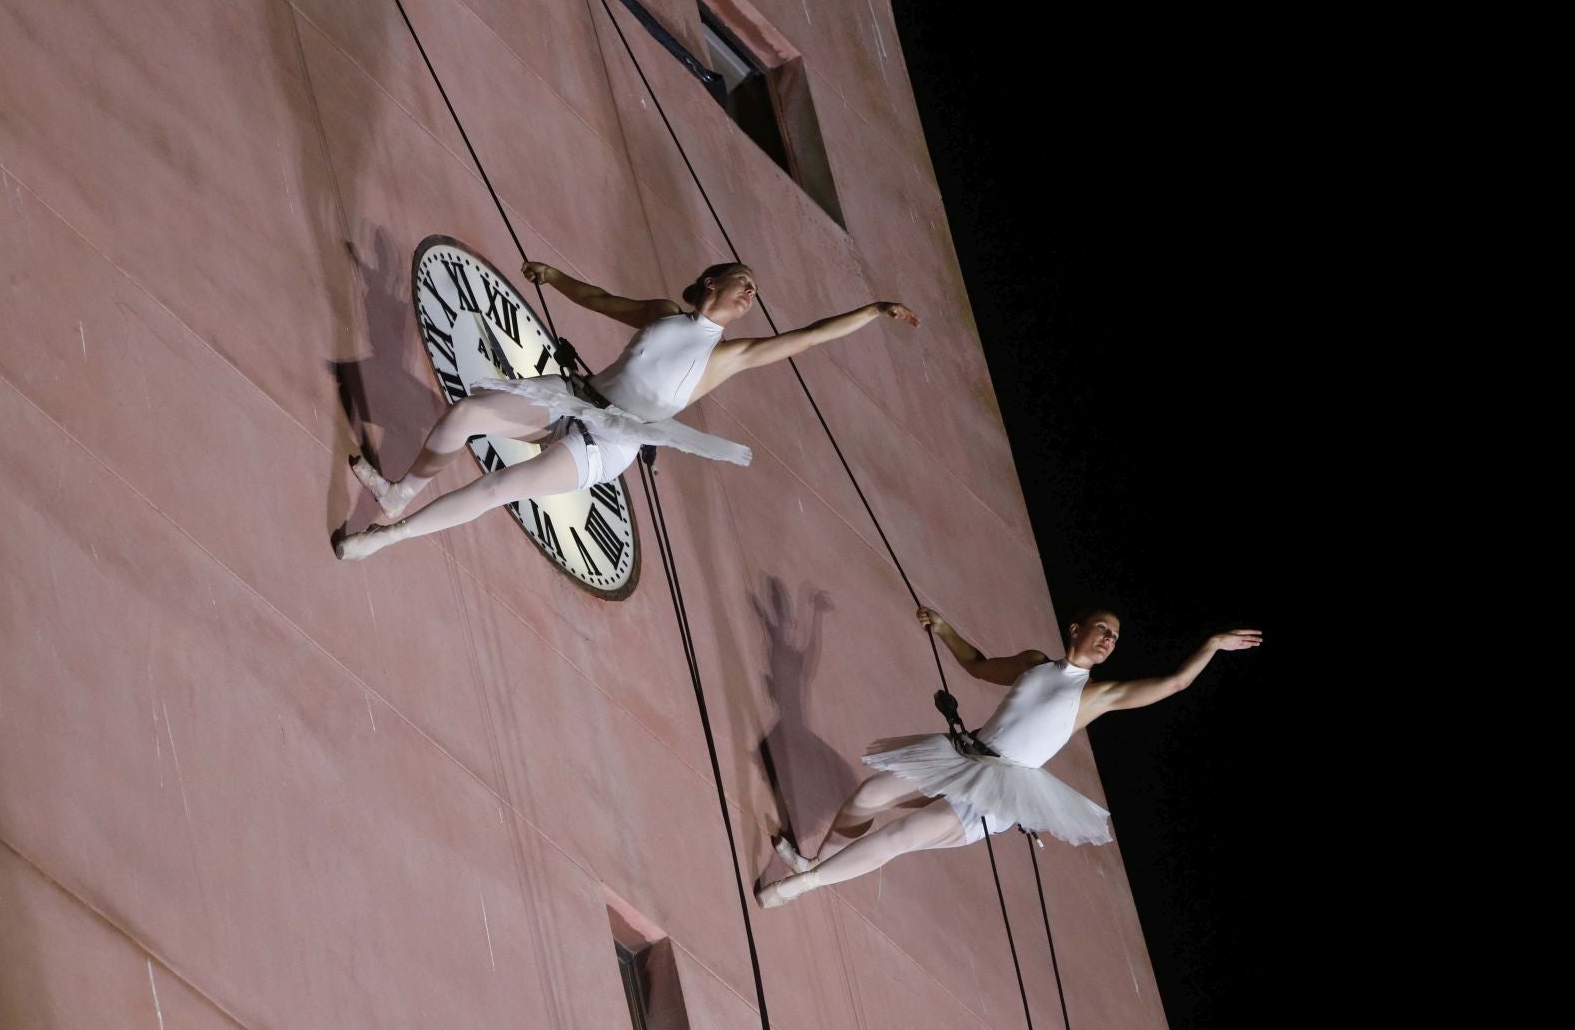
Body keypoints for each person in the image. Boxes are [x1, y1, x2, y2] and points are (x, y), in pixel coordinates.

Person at [335, 261, 919, 559]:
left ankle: (384, 540)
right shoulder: (666, 312)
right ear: (712, 280)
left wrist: (872, 310)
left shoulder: (731, 355)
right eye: (744, 282)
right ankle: (397, 494)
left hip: (608, 441)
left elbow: (809, 336)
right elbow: (604, 301)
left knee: (501, 487)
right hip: (573, 398)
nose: (750, 294)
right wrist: (554, 277)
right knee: (464, 416)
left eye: (756, 294)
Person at [757, 605, 1262, 906]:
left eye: (1115, 638)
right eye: (1102, 629)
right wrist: (945, 628)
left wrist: (1212, 645)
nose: (1109, 640)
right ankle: (811, 861)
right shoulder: (1033, 664)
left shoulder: (1096, 695)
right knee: (866, 796)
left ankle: (804, 886)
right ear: (1075, 629)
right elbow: (977, 667)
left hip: (1001, 787)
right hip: (962, 753)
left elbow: (1173, 682)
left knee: (903, 835)